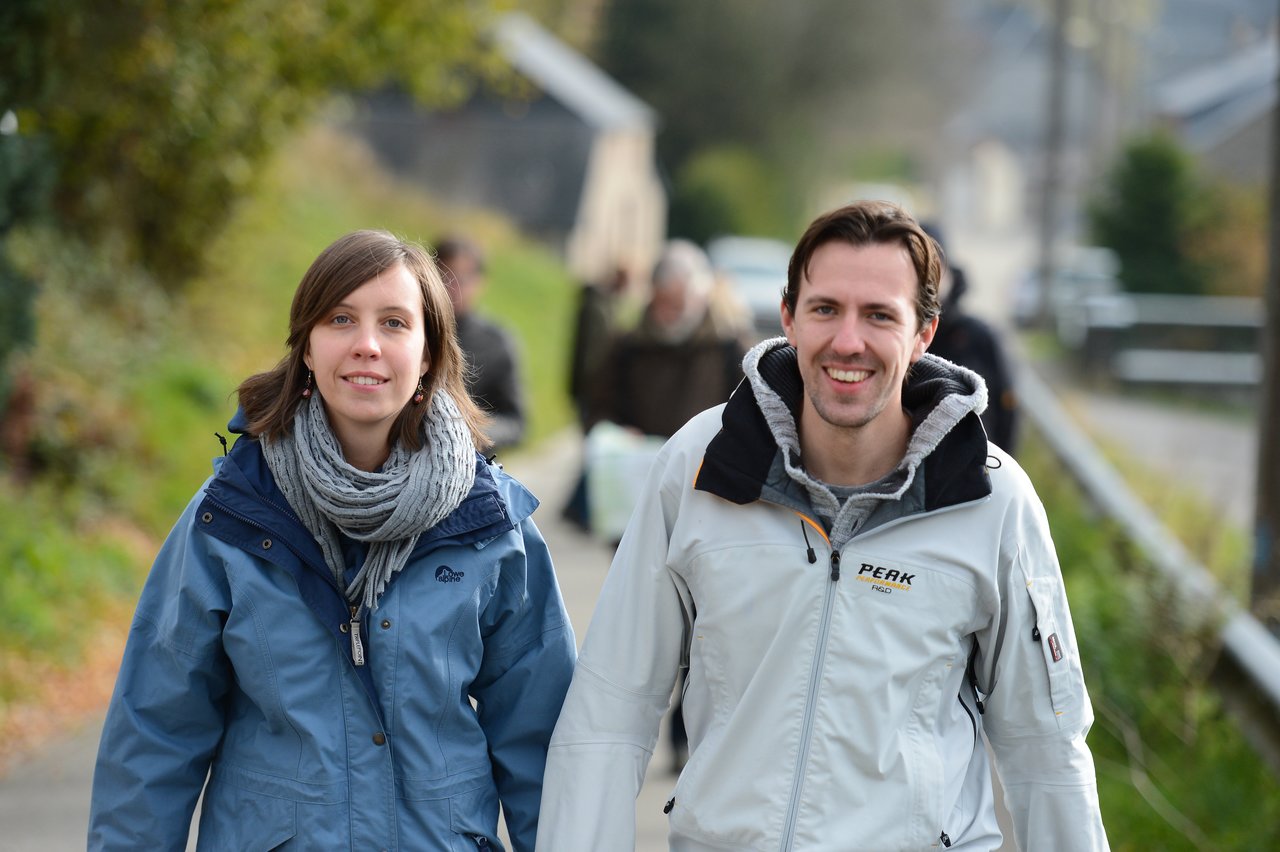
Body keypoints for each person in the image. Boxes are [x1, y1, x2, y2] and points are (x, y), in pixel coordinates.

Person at [536, 202, 1109, 851]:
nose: (847, 342)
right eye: (826, 309)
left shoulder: (991, 496)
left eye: (880, 316)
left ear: (924, 333)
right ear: (788, 317)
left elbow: (1046, 750)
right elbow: (609, 713)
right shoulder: (699, 465)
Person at [88, 230, 575, 851]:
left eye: (395, 323)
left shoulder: (490, 527)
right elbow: (155, 732)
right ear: (308, 350)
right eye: (341, 318)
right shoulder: (234, 518)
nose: (367, 345)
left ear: (427, 354)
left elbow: (545, 746)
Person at [923, 220, 1020, 454]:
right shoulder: (893, 339)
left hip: (978, 471)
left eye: (935, 267)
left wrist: (1003, 472)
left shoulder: (979, 336)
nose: (928, 280)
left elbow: (1007, 409)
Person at [435, 235, 527, 452]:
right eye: (446, 276)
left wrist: (468, 430)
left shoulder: (498, 342)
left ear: (479, 282)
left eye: (463, 278)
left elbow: (516, 423)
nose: (453, 287)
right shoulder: (411, 329)